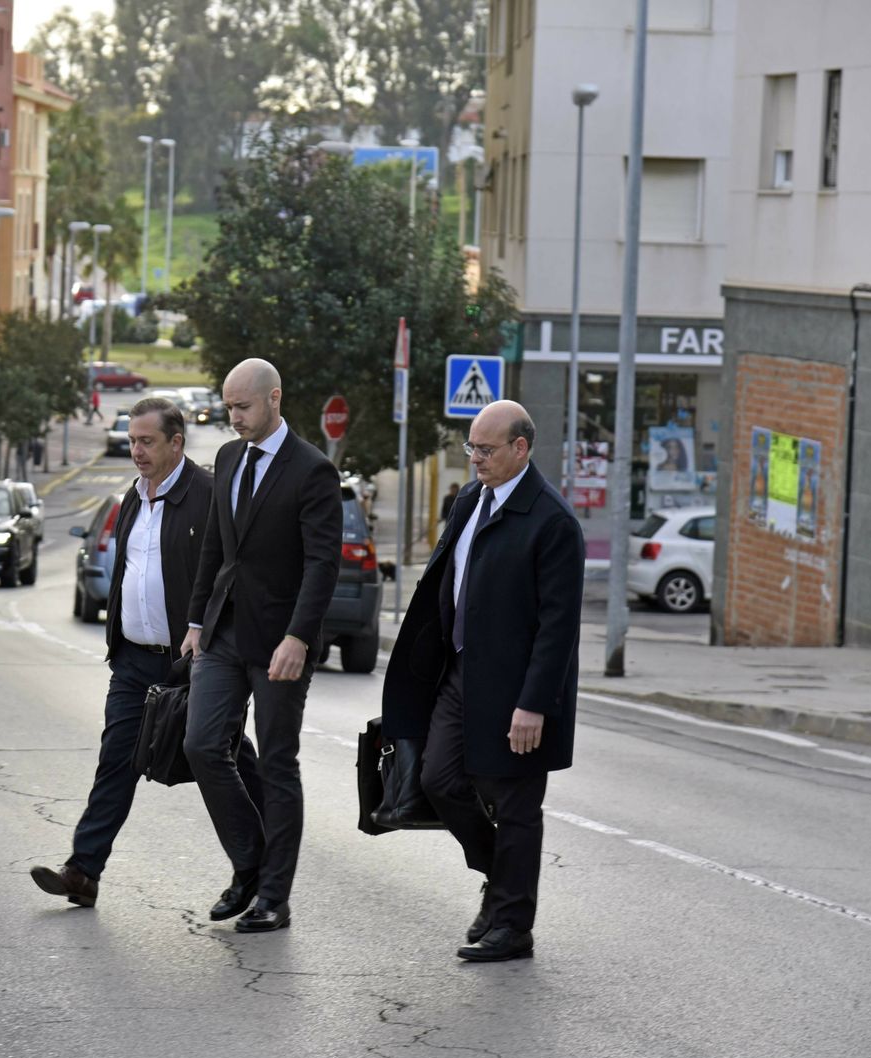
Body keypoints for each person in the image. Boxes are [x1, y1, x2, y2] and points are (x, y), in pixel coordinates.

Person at [31, 397, 263, 907]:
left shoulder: (208, 495)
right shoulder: (134, 497)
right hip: (135, 660)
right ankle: (83, 871)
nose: (136, 450)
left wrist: (213, 637)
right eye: (133, 441)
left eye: (146, 441)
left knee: (221, 756)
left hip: (195, 658)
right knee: (117, 758)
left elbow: (232, 571)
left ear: (176, 443)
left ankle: (265, 862)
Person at [381, 400, 583, 962]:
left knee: (517, 804)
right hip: (460, 673)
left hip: (518, 691)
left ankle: (513, 925)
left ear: (521, 448)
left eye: (486, 450)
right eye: (471, 447)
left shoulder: (551, 521)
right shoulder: (471, 500)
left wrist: (534, 704)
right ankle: (501, 880)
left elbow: (559, 627)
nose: (475, 459)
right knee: (438, 779)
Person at [180, 358, 342, 933]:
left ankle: (274, 896)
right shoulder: (227, 458)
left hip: (279, 643)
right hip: (222, 633)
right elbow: (215, 551)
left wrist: (299, 636)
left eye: (242, 407)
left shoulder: (312, 471)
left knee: (276, 764)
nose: (233, 418)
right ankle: (250, 864)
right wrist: (198, 621)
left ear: (274, 399)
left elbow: (324, 564)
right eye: (227, 408)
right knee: (201, 746)